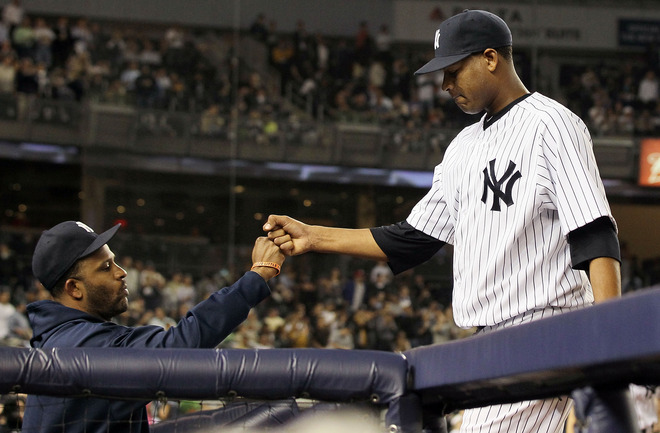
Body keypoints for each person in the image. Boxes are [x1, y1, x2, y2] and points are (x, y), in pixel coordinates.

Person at [263, 9, 622, 433]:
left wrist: (606, 353)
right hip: (491, 339)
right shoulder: (462, 147)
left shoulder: (553, 124)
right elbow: (411, 239)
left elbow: (595, 235)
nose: (446, 85)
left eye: (454, 71)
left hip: (548, 328)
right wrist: (314, 237)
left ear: (491, 58)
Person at [22, 220, 285, 433]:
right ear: (74, 288)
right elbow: (178, 345)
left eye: (114, 261)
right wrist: (259, 274)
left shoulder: (64, 336)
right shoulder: (82, 344)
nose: (121, 271)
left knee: (254, 414)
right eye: (105, 267)